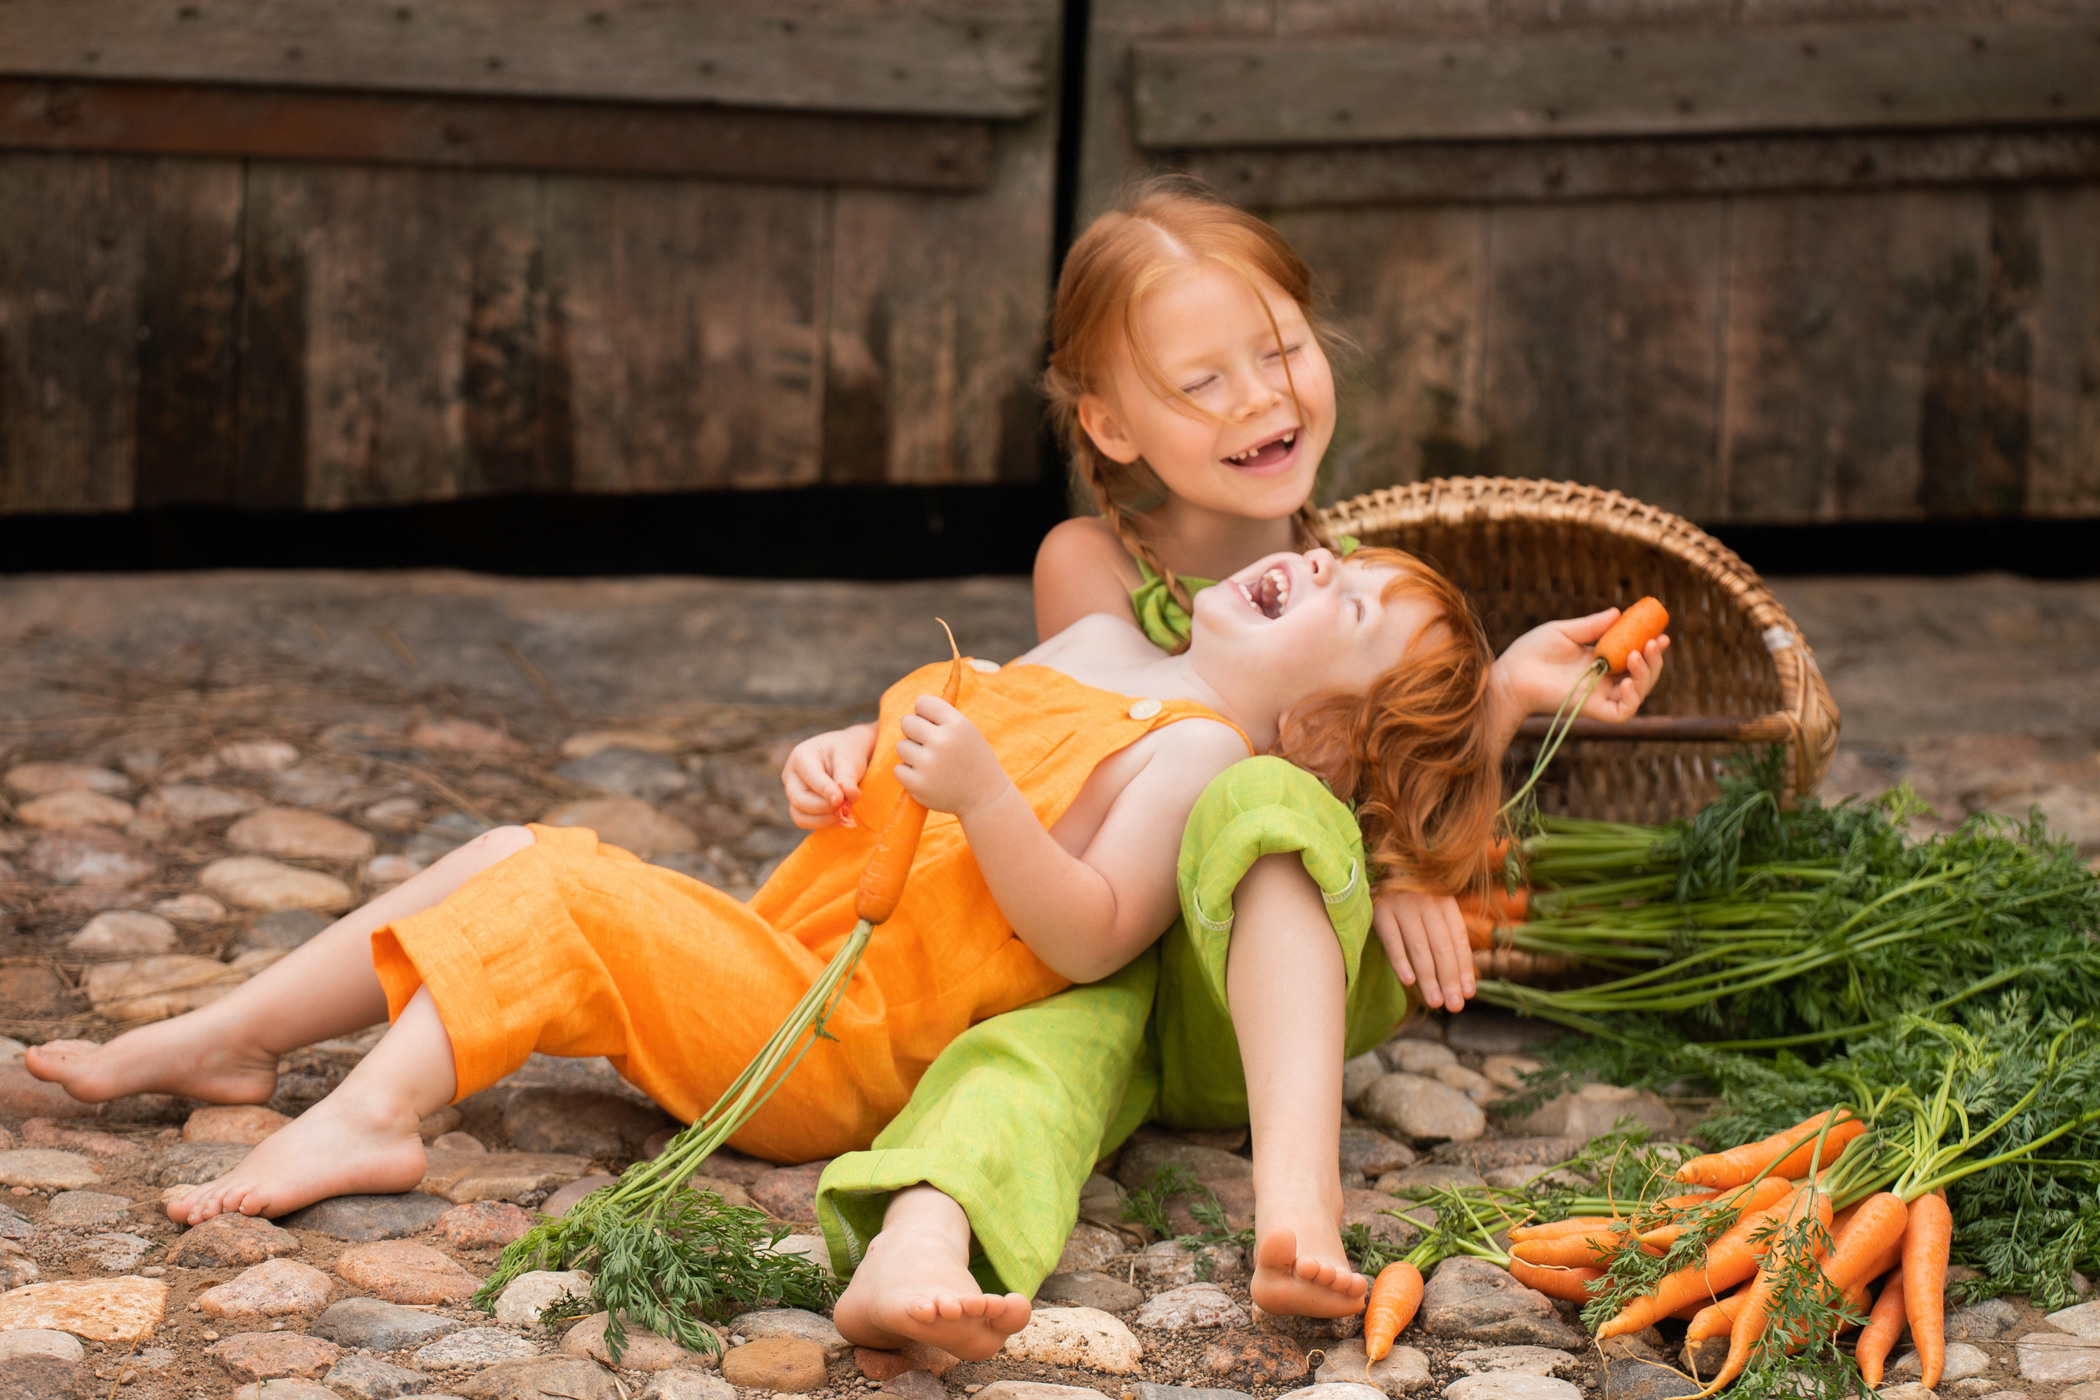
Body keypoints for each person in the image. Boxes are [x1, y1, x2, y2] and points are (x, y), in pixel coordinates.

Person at [25, 542, 1501, 1362]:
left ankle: (375, 1114)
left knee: (557, 883)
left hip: (843, 1036)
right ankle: (224, 1040)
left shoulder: (1191, 755)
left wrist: (986, 801)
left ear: (1319, 738)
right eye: (1337, 558)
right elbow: (939, 739)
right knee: (510, 862)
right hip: (782, 950)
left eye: (1349, 608)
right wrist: (846, 755)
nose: (1316, 565)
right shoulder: (1105, 653)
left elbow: (1087, 928)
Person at [810, 178, 1670, 1345]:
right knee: (1024, 1056)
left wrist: (1496, 712)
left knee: (1258, 797)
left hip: (1258, 980)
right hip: (1108, 949)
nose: (1260, 398)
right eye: (1202, 382)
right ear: (1112, 428)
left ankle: (1300, 1203)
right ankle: (919, 1238)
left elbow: (1359, 770)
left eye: (1280, 352)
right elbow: (1074, 765)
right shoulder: (1095, 569)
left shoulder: (1353, 579)